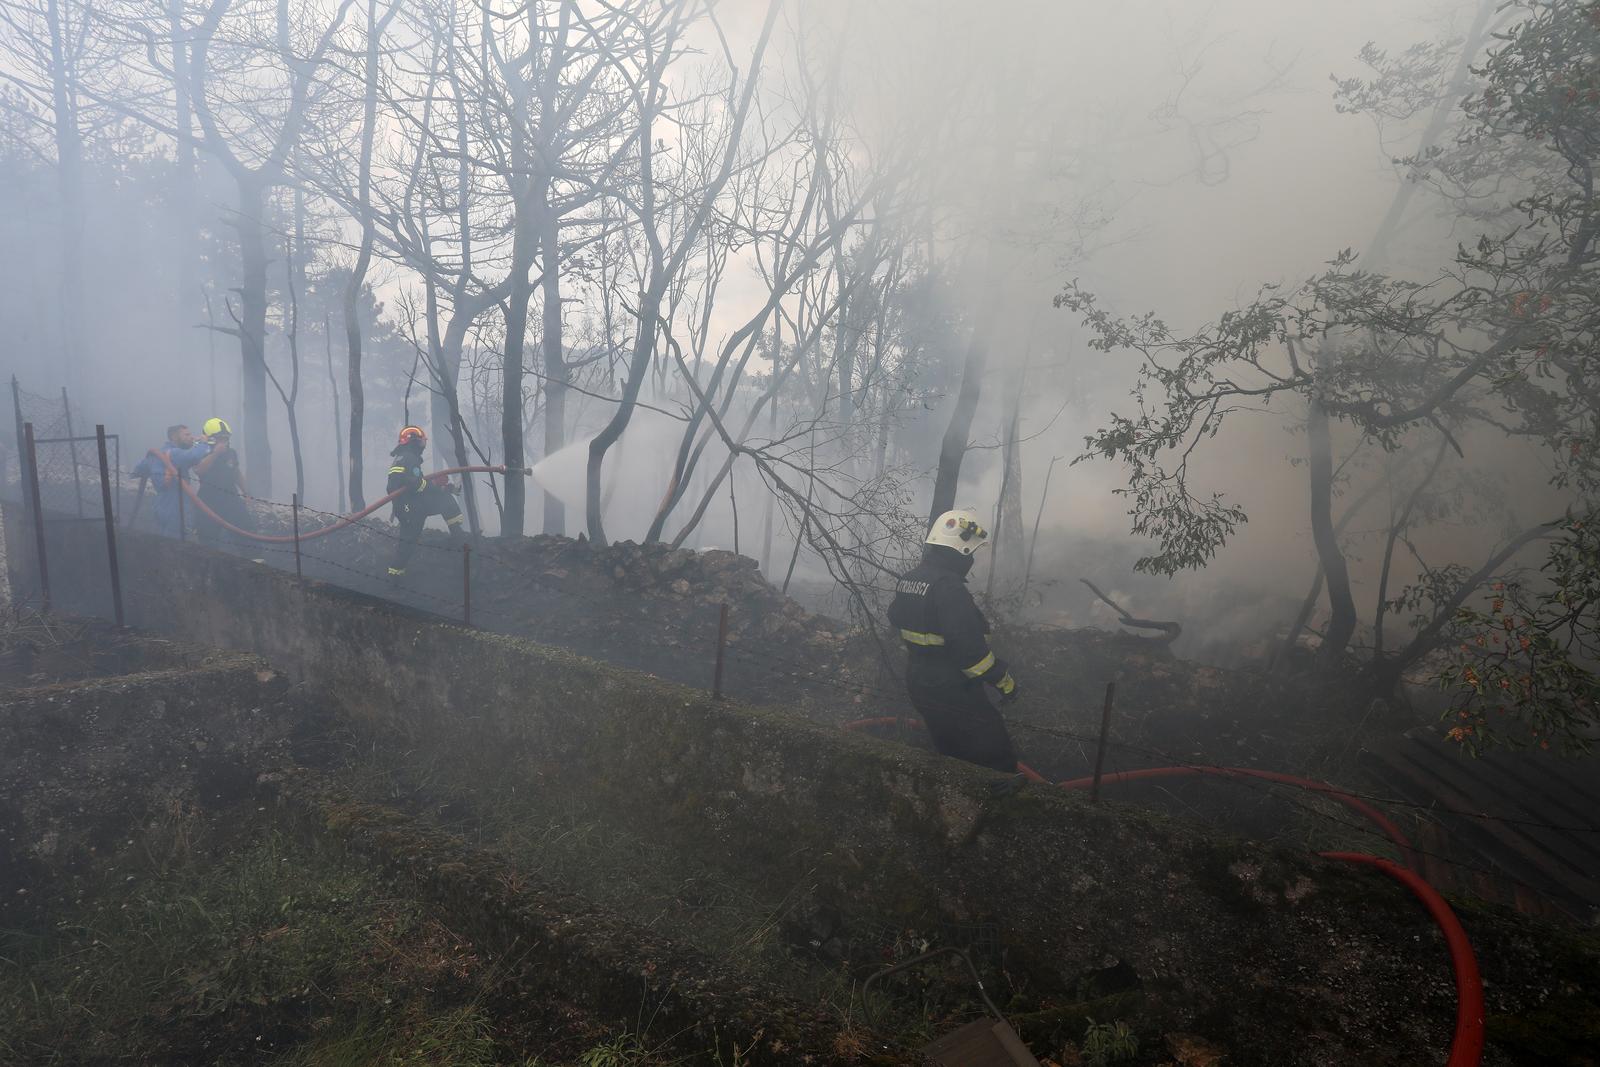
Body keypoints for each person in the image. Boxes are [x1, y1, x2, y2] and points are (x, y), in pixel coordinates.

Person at [887, 508, 1021, 772]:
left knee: (951, 751)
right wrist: (1004, 682)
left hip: (918, 678)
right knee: (994, 751)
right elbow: (970, 652)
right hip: (951, 685)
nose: (971, 559)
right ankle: (999, 807)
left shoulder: (910, 578)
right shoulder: (948, 587)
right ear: (960, 552)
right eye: (971, 552)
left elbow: (894, 616)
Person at [385, 425, 465, 577]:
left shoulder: (403, 457)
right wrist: (433, 486)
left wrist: (441, 488)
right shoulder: (409, 457)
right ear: (413, 441)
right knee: (408, 542)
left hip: (411, 505)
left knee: (445, 500)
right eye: (422, 441)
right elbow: (407, 484)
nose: (424, 444)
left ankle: (458, 537)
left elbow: (413, 483)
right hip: (410, 507)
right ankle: (394, 576)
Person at [131, 424, 211, 539]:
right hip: (176, 509)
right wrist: (204, 443)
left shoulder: (157, 455)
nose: (192, 437)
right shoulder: (174, 453)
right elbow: (193, 456)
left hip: (161, 505)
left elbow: (138, 470)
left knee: (165, 542)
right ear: (174, 437)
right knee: (176, 545)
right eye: (187, 435)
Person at [192, 418, 254, 550]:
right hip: (208, 500)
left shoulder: (231, 453)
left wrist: (246, 492)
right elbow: (198, 470)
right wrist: (215, 453)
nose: (224, 442)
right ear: (210, 438)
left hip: (231, 497)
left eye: (226, 439)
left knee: (245, 527)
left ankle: (253, 559)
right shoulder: (200, 451)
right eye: (220, 438)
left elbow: (236, 473)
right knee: (208, 535)